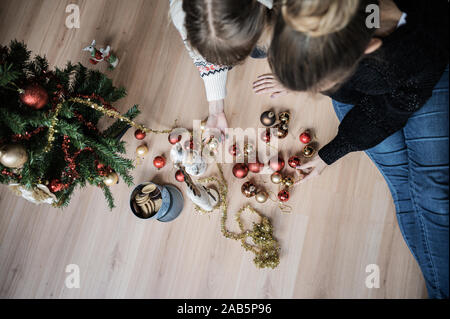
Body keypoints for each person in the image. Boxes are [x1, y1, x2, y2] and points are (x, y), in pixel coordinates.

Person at [254, 0, 449, 298]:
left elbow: (388, 111)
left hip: (416, 79)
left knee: (431, 191)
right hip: (370, 78)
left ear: (369, 48)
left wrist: (334, 150)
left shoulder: (410, 57)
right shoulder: (330, 20)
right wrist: (299, 64)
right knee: (402, 181)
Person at [169, 0, 277, 140]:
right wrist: (215, 109)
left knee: (265, 50)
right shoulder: (181, 12)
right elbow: (202, 56)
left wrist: (292, 80)